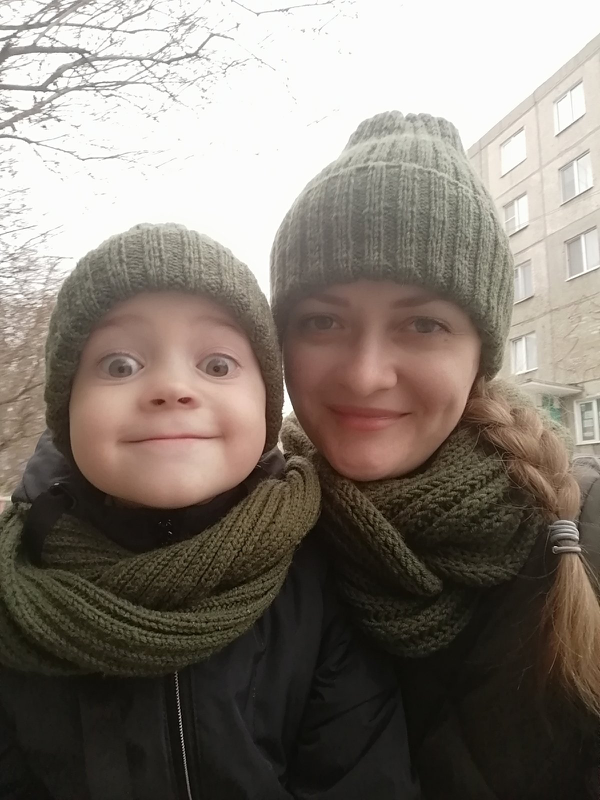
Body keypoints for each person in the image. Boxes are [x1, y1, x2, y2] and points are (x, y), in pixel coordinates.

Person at [0, 223, 418, 799]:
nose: (172, 387)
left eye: (217, 365)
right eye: (120, 365)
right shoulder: (17, 586)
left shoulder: (319, 575)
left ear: (266, 404)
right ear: (66, 408)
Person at [270, 111, 600, 800]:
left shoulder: (583, 536)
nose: (366, 375)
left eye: (423, 324)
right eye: (322, 321)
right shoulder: (243, 548)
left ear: (481, 355)